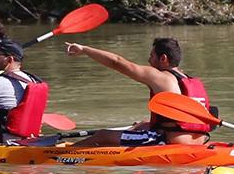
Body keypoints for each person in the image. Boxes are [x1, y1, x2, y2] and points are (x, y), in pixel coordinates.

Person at [65, 36, 213, 146]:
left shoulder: (161, 77)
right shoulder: (192, 81)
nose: (149, 61)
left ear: (163, 58)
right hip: (199, 141)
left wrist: (85, 50)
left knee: (102, 135)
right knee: (142, 125)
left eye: (151, 56)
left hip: (171, 142)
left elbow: (117, 62)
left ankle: (60, 156)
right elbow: (179, 120)